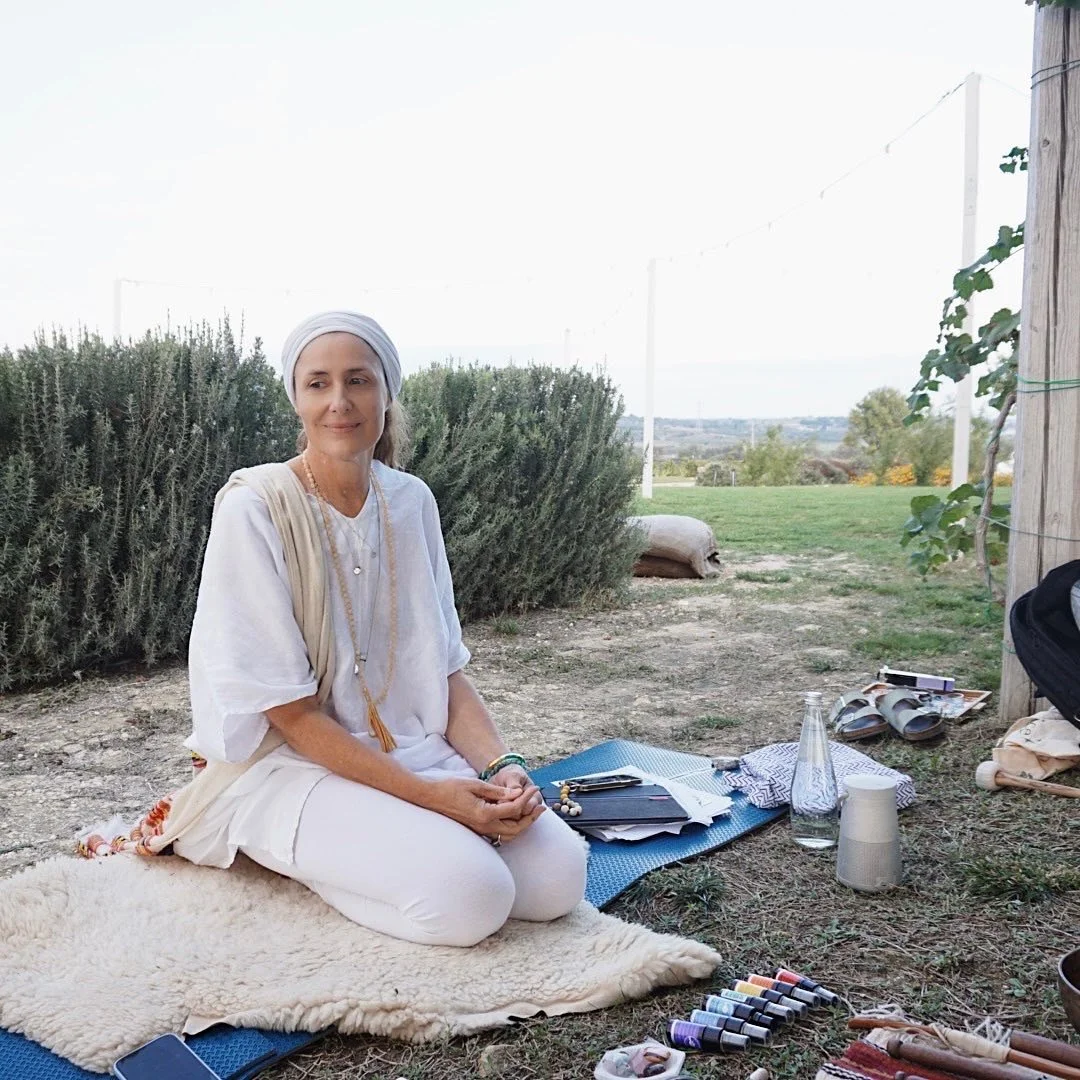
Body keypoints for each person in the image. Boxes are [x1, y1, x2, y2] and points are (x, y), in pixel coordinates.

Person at [166, 311, 588, 946]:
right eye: (318, 383)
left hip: (413, 749)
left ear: (387, 392)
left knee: (557, 881)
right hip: (293, 766)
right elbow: (290, 714)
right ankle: (302, 865)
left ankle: (390, 854)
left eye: (358, 380)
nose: (339, 402)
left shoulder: (412, 500)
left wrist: (503, 767)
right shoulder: (254, 508)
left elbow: (444, 669)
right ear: (297, 397)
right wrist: (433, 800)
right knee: (472, 898)